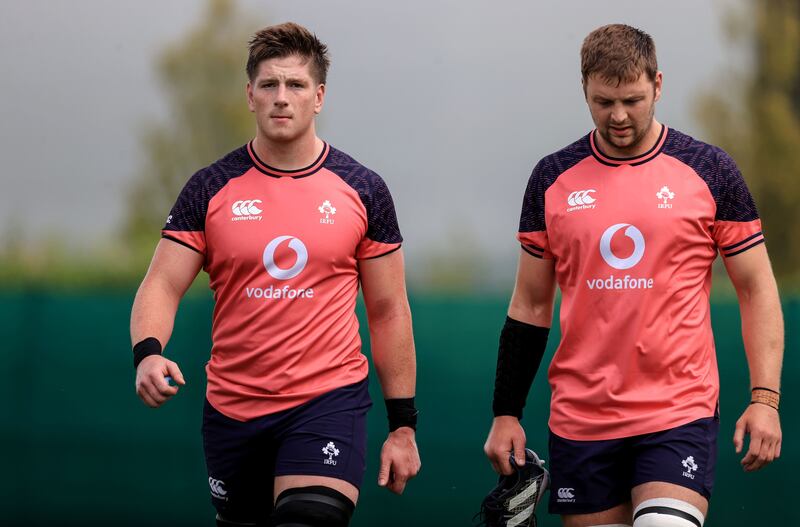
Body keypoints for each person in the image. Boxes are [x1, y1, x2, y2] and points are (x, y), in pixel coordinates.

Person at [483, 24, 783, 527]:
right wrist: (506, 412)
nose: (619, 116)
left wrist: (765, 399)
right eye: (603, 102)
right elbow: (530, 305)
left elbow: (757, 290)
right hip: (582, 419)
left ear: (658, 85)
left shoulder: (710, 171)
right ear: (584, 90)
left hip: (677, 411)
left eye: (632, 100)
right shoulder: (551, 178)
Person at [130, 22, 420, 527]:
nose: (281, 98)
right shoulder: (210, 187)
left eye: (296, 85)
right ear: (250, 94)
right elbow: (162, 283)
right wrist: (148, 354)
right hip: (232, 409)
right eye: (269, 85)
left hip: (327, 402)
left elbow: (388, 309)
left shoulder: (363, 189)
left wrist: (403, 427)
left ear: (319, 96)